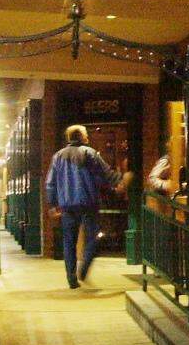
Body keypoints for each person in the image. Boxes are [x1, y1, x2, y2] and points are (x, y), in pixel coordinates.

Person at [45, 124, 131, 289]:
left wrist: (53, 203)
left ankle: (71, 279)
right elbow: (105, 173)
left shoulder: (58, 156)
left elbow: (50, 182)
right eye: (86, 135)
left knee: (69, 242)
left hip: (67, 206)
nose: (88, 138)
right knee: (93, 239)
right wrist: (120, 181)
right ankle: (83, 269)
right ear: (82, 137)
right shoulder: (90, 153)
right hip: (88, 203)